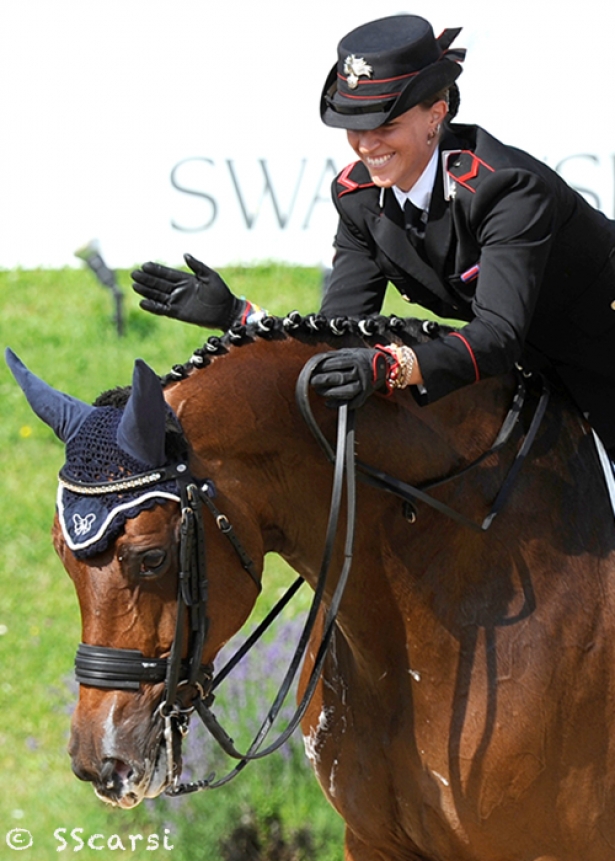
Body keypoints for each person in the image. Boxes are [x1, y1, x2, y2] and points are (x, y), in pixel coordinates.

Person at [131, 14, 615, 462]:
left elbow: (497, 335)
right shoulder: (358, 199)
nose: (366, 145)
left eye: (385, 125)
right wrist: (237, 317)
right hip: (531, 374)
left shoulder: (505, 189)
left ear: (436, 114)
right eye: (353, 127)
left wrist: (391, 367)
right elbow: (336, 333)